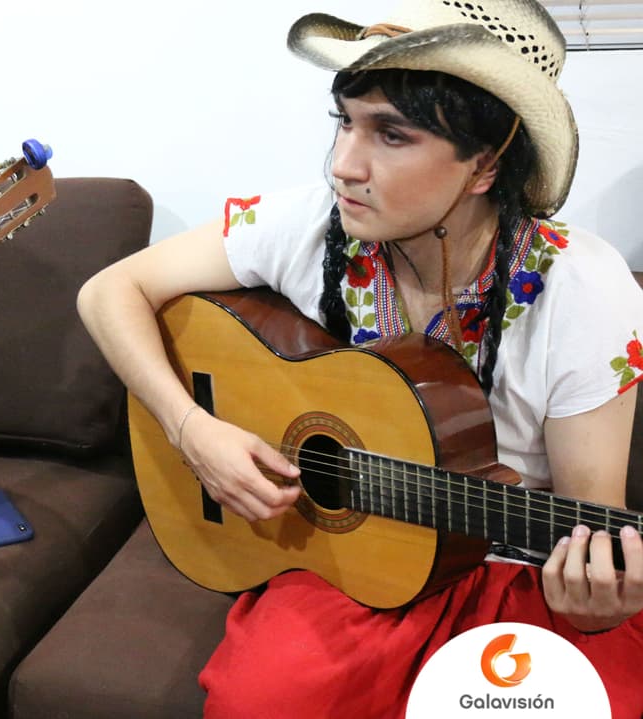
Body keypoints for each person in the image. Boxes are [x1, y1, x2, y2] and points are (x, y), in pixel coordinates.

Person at [77, 0, 643, 716]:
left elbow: (594, 524)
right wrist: (193, 429)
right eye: (345, 121)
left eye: (392, 134)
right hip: (351, 560)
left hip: (509, 571)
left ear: (485, 164)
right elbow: (108, 291)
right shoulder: (311, 224)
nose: (343, 165)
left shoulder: (584, 289)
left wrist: (596, 598)